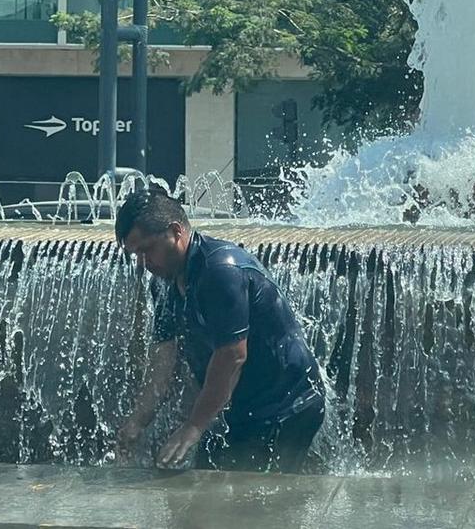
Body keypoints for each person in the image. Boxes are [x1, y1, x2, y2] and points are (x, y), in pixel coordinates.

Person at [114, 186, 324, 473]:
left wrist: (193, 426)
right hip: (238, 408)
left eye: (147, 249)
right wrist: (137, 422)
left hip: (288, 403)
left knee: (258, 500)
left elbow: (232, 355)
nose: (144, 263)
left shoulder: (220, 271)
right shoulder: (163, 284)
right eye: (135, 254)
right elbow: (165, 359)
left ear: (176, 231)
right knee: (207, 490)